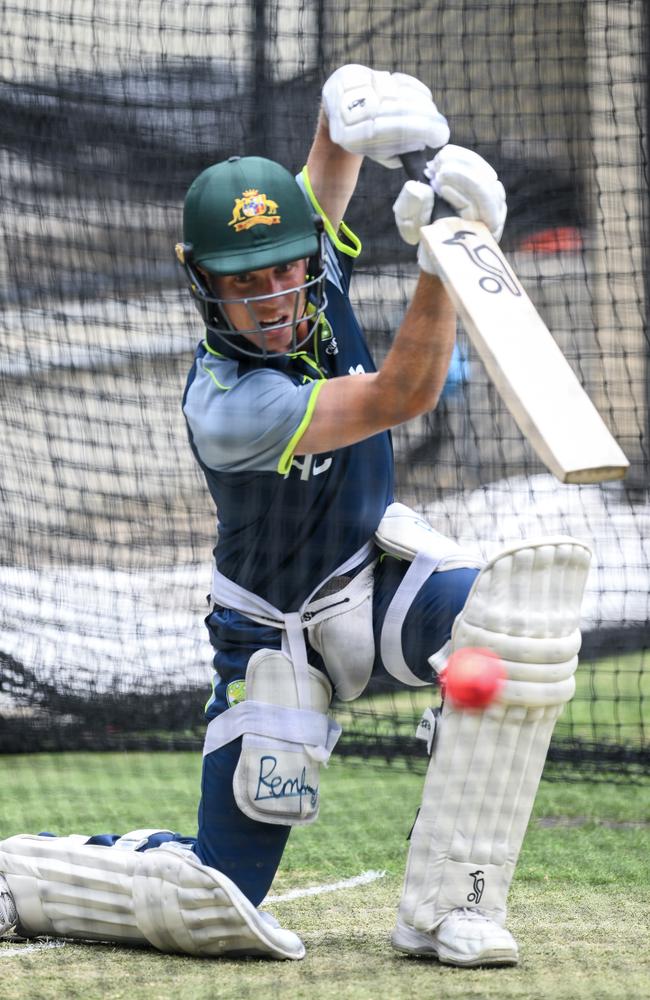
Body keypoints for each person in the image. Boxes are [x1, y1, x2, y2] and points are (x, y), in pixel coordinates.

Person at [0, 64, 590, 967]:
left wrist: (352, 98)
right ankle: (28, 878)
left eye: (287, 271)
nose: (275, 301)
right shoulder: (231, 404)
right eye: (247, 284)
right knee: (214, 903)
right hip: (275, 637)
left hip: (373, 579)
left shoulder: (310, 263)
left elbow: (332, 148)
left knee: (519, 626)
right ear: (203, 283)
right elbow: (403, 393)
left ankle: (451, 905)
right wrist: (446, 257)